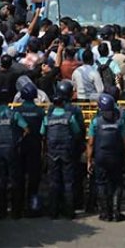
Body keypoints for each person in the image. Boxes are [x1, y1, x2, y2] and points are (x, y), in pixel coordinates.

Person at [87, 93, 125, 222]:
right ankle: (116, 213)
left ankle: (105, 213)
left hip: (100, 157)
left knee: (101, 183)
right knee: (117, 183)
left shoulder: (95, 122)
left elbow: (90, 143)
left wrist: (89, 160)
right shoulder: (120, 121)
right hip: (116, 157)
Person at [41, 83, 82, 219]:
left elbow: (43, 133)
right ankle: (70, 210)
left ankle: (53, 211)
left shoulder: (50, 113)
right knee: (68, 181)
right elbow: (78, 131)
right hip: (68, 150)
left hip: (52, 152)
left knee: (54, 181)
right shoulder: (73, 112)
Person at [0, 87, 29, 218]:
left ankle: (1, 212)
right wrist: (18, 140)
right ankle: (15, 212)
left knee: (1, 180)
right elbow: (26, 129)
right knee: (14, 180)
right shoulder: (14, 114)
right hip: (12, 150)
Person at [13, 81, 45, 217]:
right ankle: (32, 208)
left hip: (20, 147)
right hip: (35, 147)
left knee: (18, 179)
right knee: (34, 179)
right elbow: (43, 132)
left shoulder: (16, 111)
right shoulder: (40, 111)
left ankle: (17, 209)